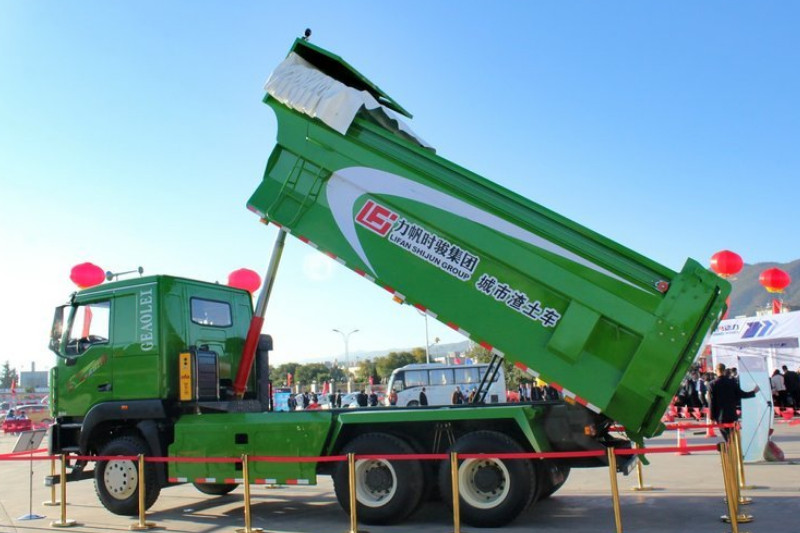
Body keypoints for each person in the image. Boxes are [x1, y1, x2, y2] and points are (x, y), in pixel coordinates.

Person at [709, 363, 759, 442]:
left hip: (720, 415)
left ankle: (730, 448)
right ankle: (735, 448)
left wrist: (711, 417)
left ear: (716, 371)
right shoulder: (732, 382)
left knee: (727, 438)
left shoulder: (712, 384)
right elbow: (741, 394)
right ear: (724, 371)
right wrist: (753, 392)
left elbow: (712, 402)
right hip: (732, 414)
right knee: (733, 437)